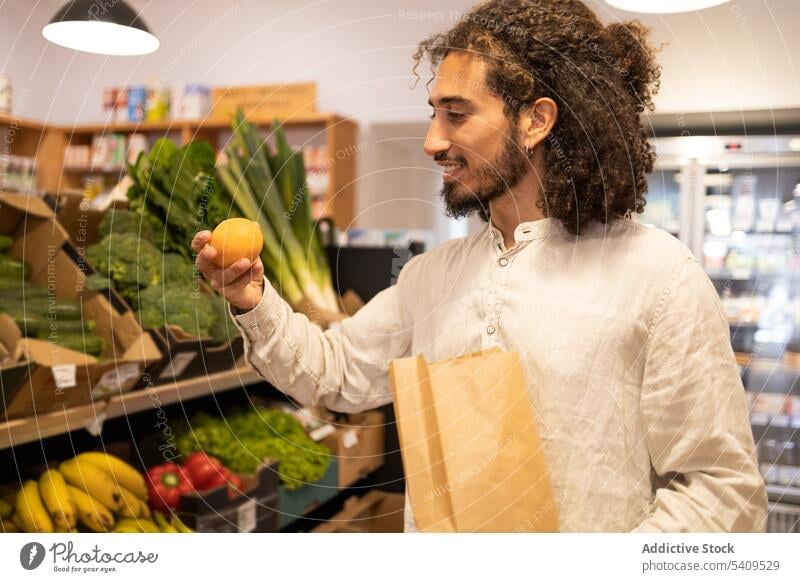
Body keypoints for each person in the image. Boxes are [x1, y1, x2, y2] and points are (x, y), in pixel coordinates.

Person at [192, 0, 767, 532]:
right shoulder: (431, 276)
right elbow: (332, 372)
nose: (431, 141)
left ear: (535, 121)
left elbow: (722, 493)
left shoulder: (657, 275)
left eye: (456, 115)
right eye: (433, 113)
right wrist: (252, 299)